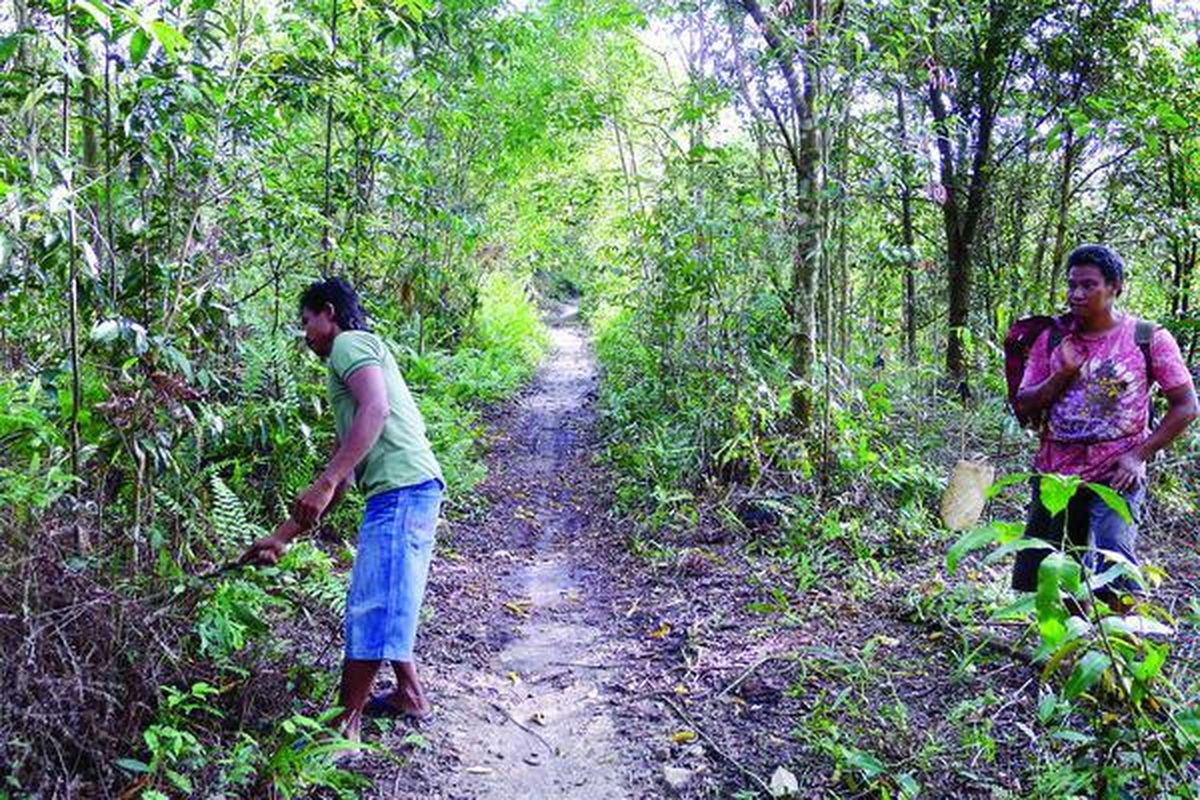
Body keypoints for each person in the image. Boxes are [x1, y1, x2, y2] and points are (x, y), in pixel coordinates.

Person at [243, 277, 445, 742]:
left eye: (307, 322)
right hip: (405, 487)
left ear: (328, 312)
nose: (305, 334)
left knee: (373, 603)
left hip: (403, 487)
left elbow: (377, 412)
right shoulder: (350, 366)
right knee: (388, 592)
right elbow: (346, 471)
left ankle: (342, 727)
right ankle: (409, 694)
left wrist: (327, 478)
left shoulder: (349, 345)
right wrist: (281, 535)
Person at [1012, 245, 1197, 610]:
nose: (1077, 294)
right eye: (1072, 285)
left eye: (1089, 285)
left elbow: (1187, 406)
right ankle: (1064, 649)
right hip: (1056, 474)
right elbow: (1023, 403)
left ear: (1116, 288)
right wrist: (1061, 374)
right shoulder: (1052, 338)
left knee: (1114, 562)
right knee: (1055, 566)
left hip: (1116, 473)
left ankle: (1115, 648)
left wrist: (1138, 455)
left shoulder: (1148, 337)